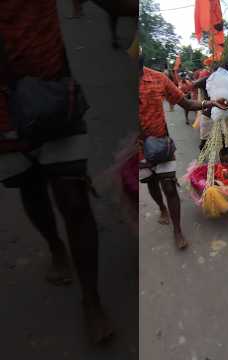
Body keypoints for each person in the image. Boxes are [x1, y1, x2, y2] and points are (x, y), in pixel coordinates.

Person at [0, 0, 112, 344]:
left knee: (74, 200)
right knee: (30, 189)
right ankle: (55, 247)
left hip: (54, 97)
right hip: (3, 115)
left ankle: (92, 301)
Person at [138, 55, 228, 250]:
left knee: (170, 187)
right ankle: (162, 208)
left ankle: (177, 230)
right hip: (136, 150)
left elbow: (187, 104)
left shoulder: (158, 78)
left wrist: (211, 103)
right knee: (150, 182)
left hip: (161, 145)